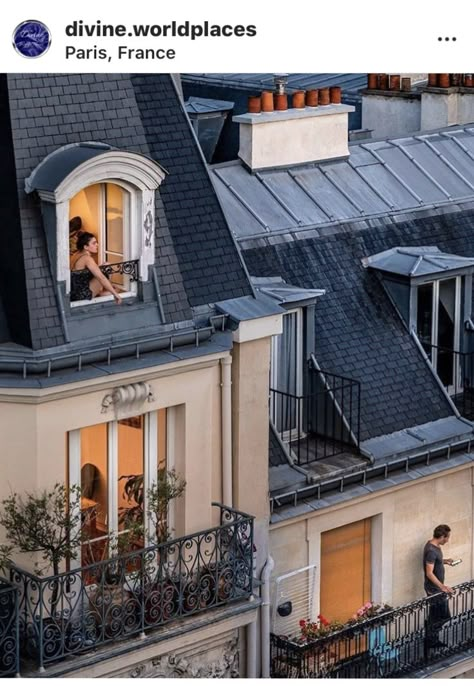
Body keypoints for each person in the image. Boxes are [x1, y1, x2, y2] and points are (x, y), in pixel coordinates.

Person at [423, 524, 454, 650]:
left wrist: (445, 561)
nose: (448, 540)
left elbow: (435, 563)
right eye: (447, 537)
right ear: (441, 536)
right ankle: (429, 638)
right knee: (444, 616)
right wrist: (442, 587)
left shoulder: (435, 547)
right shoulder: (431, 551)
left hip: (437, 589)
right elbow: (429, 573)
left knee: (435, 616)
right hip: (434, 590)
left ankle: (431, 638)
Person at [70, 232, 122, 304]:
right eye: (94, 243)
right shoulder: (87, 258)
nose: (97, 245)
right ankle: (105, 292)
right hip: (82, 295)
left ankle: (105, 290)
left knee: (105, 266)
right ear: (85, 247)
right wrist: (116, 294)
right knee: (106, 274)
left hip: (73, 292)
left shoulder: (76, 254)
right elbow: (101, 277)